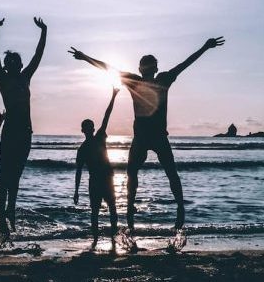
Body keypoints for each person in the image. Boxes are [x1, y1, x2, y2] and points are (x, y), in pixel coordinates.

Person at [68, 36, 225, 237]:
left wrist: (204, 47)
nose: (147, 69)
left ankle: (174, 208)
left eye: (148, 66)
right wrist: (85, 57)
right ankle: (138, 211)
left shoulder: (156, 79)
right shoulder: (147, 80)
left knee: (164, 172)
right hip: (144, 137)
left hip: (156, 136)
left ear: (150, 69)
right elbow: (108, 68)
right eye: (146, 66)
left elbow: (108, 67)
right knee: (137, 172)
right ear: (145, 69)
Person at [0, 16, 47, 238]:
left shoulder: (26, 77)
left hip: (25, 133)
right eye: (9, 62)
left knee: (16, 176)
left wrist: (44, 31)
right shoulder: (2, 79)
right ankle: (2, 215)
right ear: (6, 66)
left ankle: (10, 211)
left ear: (20, 65)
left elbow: (38, 55)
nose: (12, 64)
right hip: (11, 131)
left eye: (16, 62)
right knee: (5, 175)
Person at [74, 87, 120, 247]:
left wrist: (113, 96)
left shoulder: (94, 141)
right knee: (105, 210)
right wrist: (76, 191)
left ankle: (104, 239)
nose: (89, 129)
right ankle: (105, 238)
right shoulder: (88, 145)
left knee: (104, 210)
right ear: (87, 130)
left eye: (89, 127)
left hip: (102, 180)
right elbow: (78, 171)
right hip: (100, 180)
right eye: (88, 127)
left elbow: (107, 116)